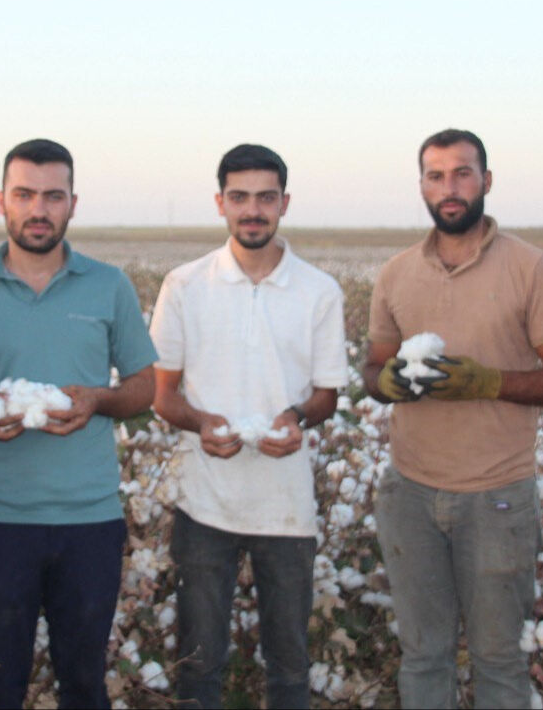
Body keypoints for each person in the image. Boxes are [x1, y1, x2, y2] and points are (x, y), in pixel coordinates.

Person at [0, 139, 157, 708]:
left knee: (83, 685)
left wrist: (96, 401)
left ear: (73, 204)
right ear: (2, 201)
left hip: (90, 521)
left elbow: (144, 389)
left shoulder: (109, 286)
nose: (39, 209)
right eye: (25, 194)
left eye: (53, 196)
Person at [362, 129, 543, 709]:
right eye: (435, 176)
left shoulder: (531, 268)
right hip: (409, 495)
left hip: (497, 497)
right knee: (423, 655)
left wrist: (487, 382)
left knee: (499, 658)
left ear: (487, 180)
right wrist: (386, 383)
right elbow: (373, 368)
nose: (449, 188)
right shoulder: (397, 273)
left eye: (462, 173)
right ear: (422, 187)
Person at [149, 144, 347, 708]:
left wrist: (298, 416)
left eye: (265, 197)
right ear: (220, 203)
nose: (252, 210)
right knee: (199, 665)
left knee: (288, 667)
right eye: (239, 197)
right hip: (203, 505)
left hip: (287, 511)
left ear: (285, 202)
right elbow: (164, 397)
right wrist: (201, 422)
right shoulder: (184, 285)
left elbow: (327, 394)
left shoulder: (319, 292)